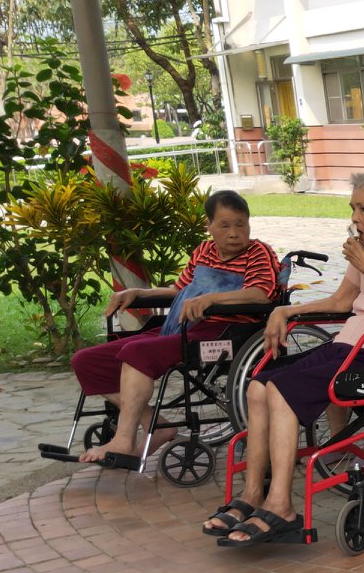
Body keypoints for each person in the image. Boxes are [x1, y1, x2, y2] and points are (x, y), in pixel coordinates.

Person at [205, 169, 364, 547]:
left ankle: (281, 504)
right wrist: (285, 312)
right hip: (348, 347)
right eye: (353, 208)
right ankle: (251, 496)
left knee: (281, 387)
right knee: (259, 385)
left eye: (363, 209)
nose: (355, 218)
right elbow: (340, 303)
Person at [71, 190, 279, 469]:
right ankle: (157, 426)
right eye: (225, 225)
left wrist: (212, 298)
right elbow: (179, 291)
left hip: (224, 332)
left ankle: (124, 439)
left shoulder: (258, 253)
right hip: (179, 328)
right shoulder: (203, 251)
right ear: (209, 225)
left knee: (136, 353)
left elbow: (261, 294)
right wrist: (138, 293)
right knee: (86, 361)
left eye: (241, 224)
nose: (234, 233)